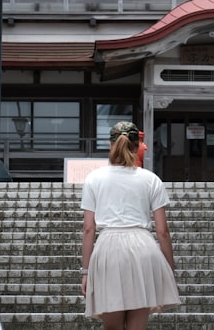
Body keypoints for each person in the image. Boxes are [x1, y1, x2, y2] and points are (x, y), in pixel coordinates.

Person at [80, 121, 180, 329]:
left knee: (113, 327)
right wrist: (169, 268)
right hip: (143, 248)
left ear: (110, 145)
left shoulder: (94, 179)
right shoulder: (151, 180)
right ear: (137, 146)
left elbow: (89, 228)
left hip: (108, 249)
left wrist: (86, 271)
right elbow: (162, 231)